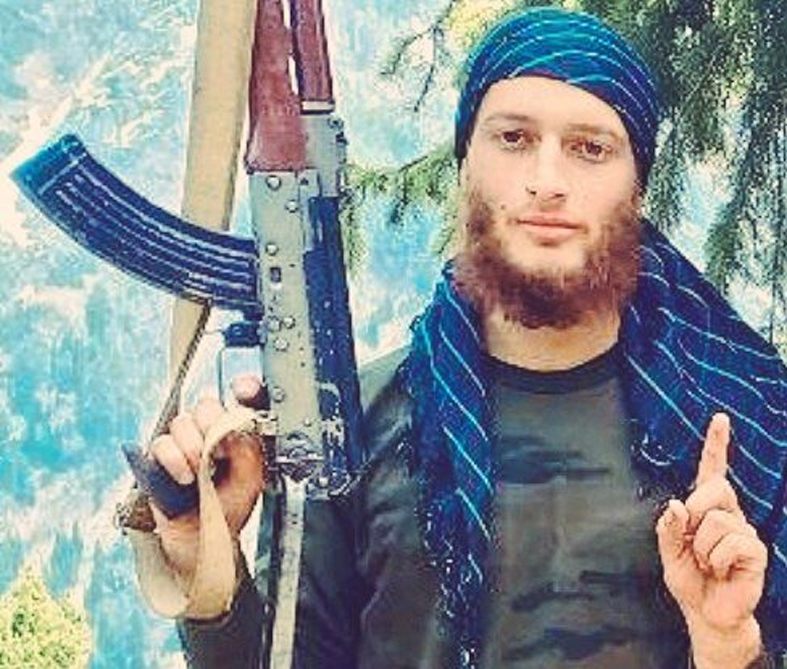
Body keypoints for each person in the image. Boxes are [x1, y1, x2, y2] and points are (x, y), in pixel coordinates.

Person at [141, 7, 786, 668]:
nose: (547, 181)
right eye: (513, 138)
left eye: (590, 148)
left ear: (637, 184)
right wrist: (206, 564)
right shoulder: (352, 426)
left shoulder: (743, 428)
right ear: (465, 166)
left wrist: (729, 647)